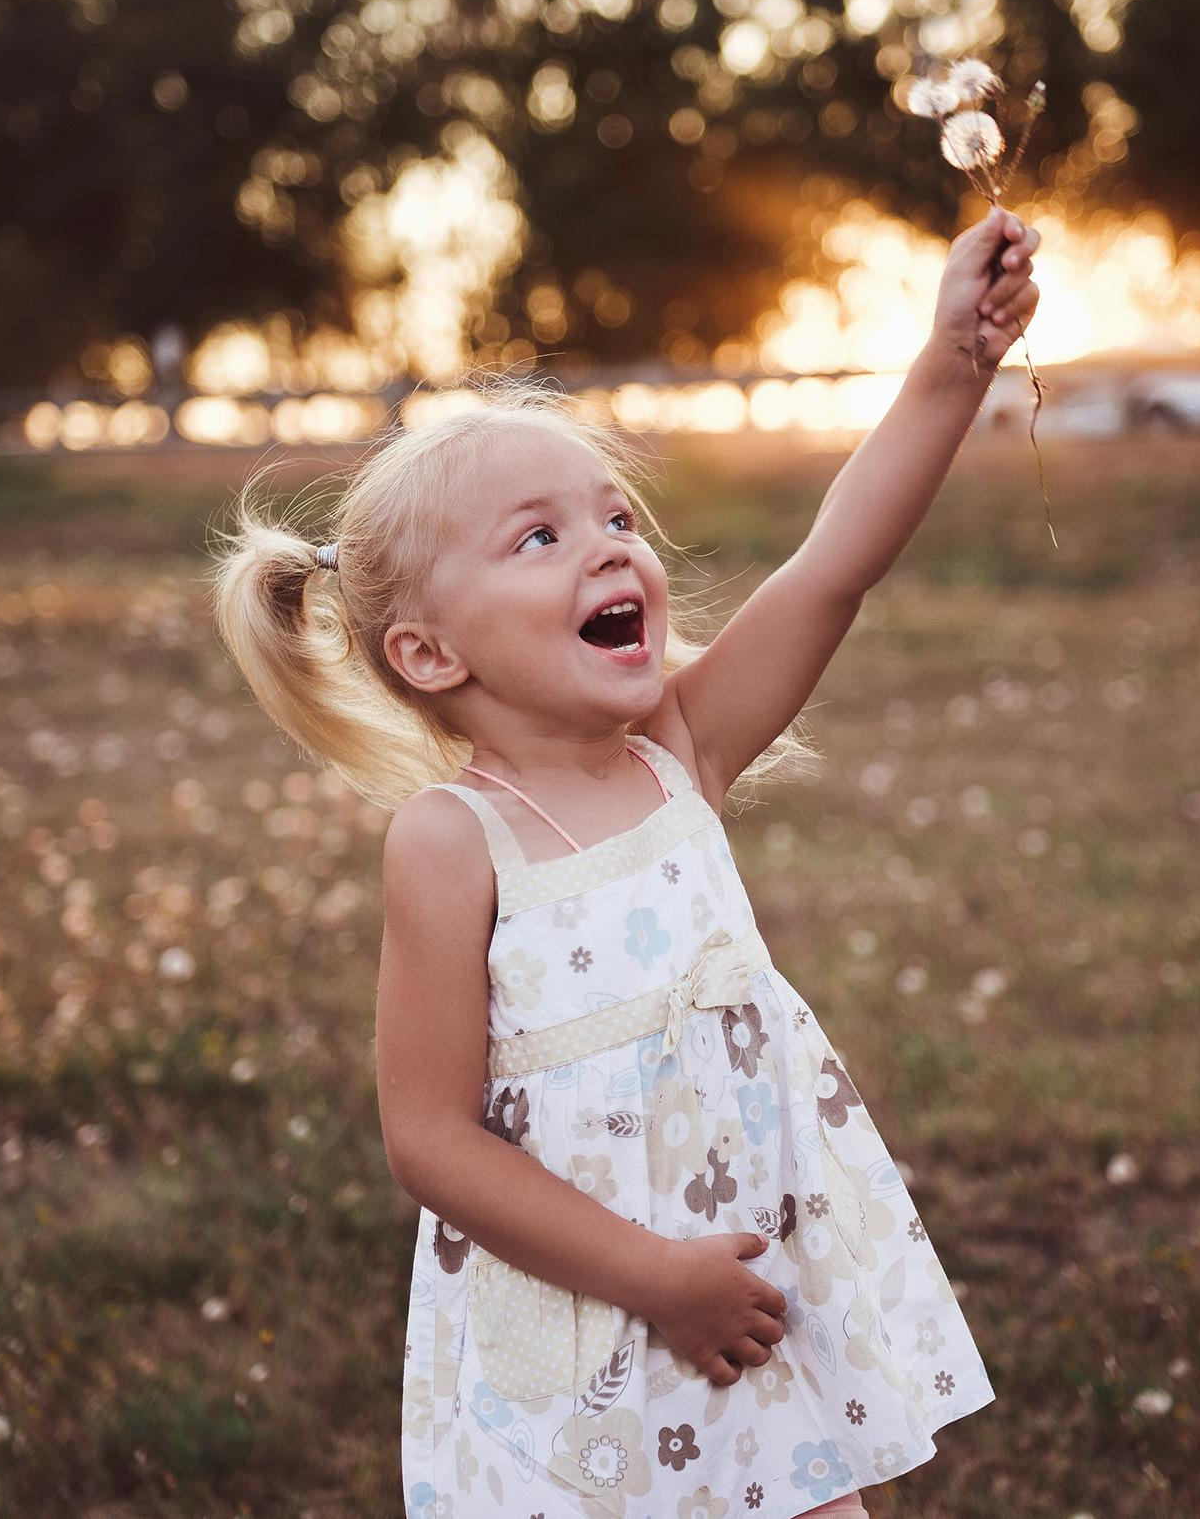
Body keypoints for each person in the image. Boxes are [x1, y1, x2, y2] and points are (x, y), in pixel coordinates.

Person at [210, 208, 1041, 1519]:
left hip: (741, 1284)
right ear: (430, 652)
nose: (609, 546)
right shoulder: (453, 841)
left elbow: (833, 568)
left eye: (617, 517)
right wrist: (655, 1277)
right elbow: (428, 1138)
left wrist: (954, 360)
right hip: (591, 1347)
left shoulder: (677, 751)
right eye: (538, 537)